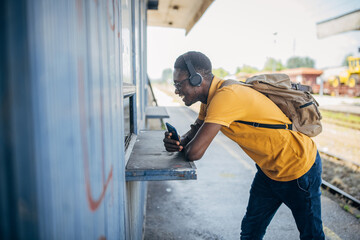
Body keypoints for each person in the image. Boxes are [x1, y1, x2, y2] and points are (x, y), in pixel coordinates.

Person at [163, 51, 325, 240]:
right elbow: (190, 138)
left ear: (197, 79)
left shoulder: (226, 96)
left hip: (298, 169)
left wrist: (186, 147)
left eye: (178, 84)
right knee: (250, 231)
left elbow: (194, 152)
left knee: (312, 235)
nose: (176, 90)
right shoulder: (210, 100)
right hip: (269, 170)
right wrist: (176, 142)